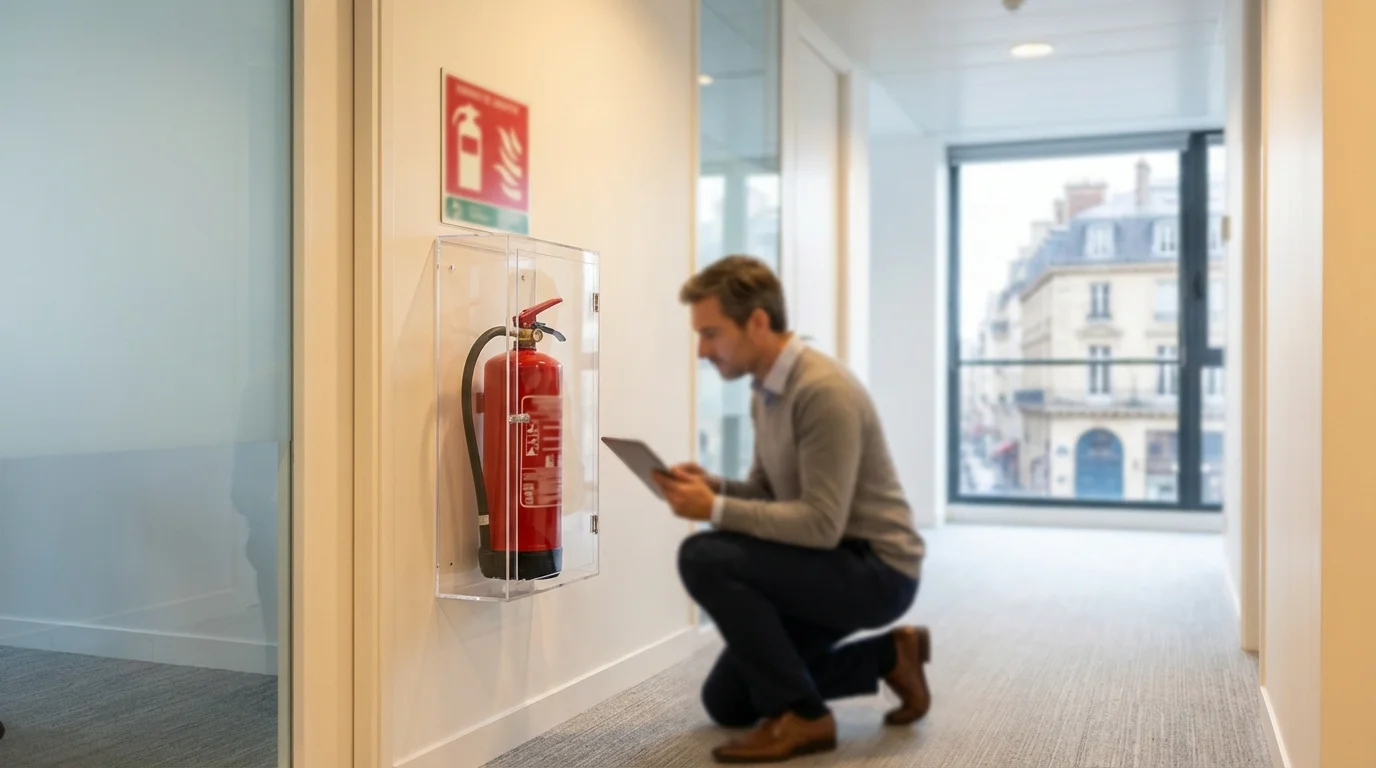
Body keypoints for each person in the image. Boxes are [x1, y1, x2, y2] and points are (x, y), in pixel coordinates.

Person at [651, 255, 931, 764]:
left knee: (704, 556)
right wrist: (717, 487)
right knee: (729, 702)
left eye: (711, 334)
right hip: (828, 559)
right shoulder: (765, 391)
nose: (702, 351)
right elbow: (769, 493)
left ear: (757, 322)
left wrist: (715, 508)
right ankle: (890, 657)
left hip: (878, 569)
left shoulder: (822, 391)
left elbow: (820, 524)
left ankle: (805, 718)